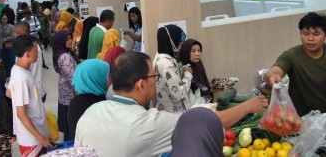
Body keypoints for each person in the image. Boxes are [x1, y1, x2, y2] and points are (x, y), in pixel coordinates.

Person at [75, 51, 268, 156]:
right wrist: (248, 106)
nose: (156, 82)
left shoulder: (92, 111)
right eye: (154, 76)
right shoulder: (148, 123)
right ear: (141, 85)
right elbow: (206, 123)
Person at [8, 35, 52, 156]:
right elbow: (21, 114)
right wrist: (41, 139)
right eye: (35, 51)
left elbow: (9, 92)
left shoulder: (19, 70)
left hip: (37, 132)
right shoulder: (21, 78)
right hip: (32, 139)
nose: (38, 54)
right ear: (27, 54)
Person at [153, 25, 193, 113]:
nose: (181, 44)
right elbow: (179, 94)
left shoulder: (158, 57)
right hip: (174, 114)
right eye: (179, 40)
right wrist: (188, 75)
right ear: (172, 41)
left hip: (165, 111)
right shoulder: (167, 64)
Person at [67, 59, 109, 141]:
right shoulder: (100, 105)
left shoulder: (76, 101)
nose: (109, 80)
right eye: (107, 75)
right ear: (96, 78)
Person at [51, 30, 79, 140]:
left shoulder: (64, 52)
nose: (70, 40)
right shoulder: (64, 57)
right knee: (71, 124)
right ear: (60, 41)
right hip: (70, 95)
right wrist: (82, 94)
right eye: (67, 39)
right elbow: (73, 79)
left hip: (66, 92)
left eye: (70, 38)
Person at [12, 21, 47, 102]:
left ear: (16, 34)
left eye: (14, 33)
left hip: (32, 94)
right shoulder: (31, 46)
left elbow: (25, 70)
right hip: (34, 90)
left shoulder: (28, 48)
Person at [0, 13, 15, 78]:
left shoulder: (11, 26)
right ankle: (7, 76)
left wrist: (6, 39)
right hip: (2, 47)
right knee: (5, 63)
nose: (4, 20)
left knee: (12, 62)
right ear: (0, 19)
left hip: (10, 47)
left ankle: (13, 76)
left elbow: (13, 36)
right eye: (3, 18)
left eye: (5, 18)